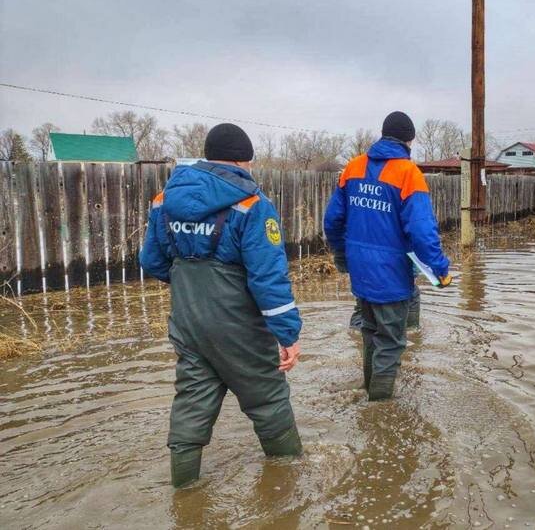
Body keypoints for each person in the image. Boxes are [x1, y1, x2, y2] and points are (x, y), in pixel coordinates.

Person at [140, 123, 303, 488]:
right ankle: (290, 481)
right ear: (243, 160)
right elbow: (267, 279)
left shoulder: (164, 200)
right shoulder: (252, 204)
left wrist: (190, 285)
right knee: (268, 398)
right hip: (238, 324)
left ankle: (184, 491)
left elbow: (151, 261)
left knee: (193, 399)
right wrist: (288, 334)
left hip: (187, 320)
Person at [324, 111, 451, 401]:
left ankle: (369, 391)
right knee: (391, 342)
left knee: (370, 333)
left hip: (360, 270)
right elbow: (422, 231)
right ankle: (379, 411)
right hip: (392, 273)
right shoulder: (409, 173)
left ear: (382, 135)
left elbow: (332, 220)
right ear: (410, 140)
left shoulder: (353, 167)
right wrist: (440, 268)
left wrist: (342, 256)